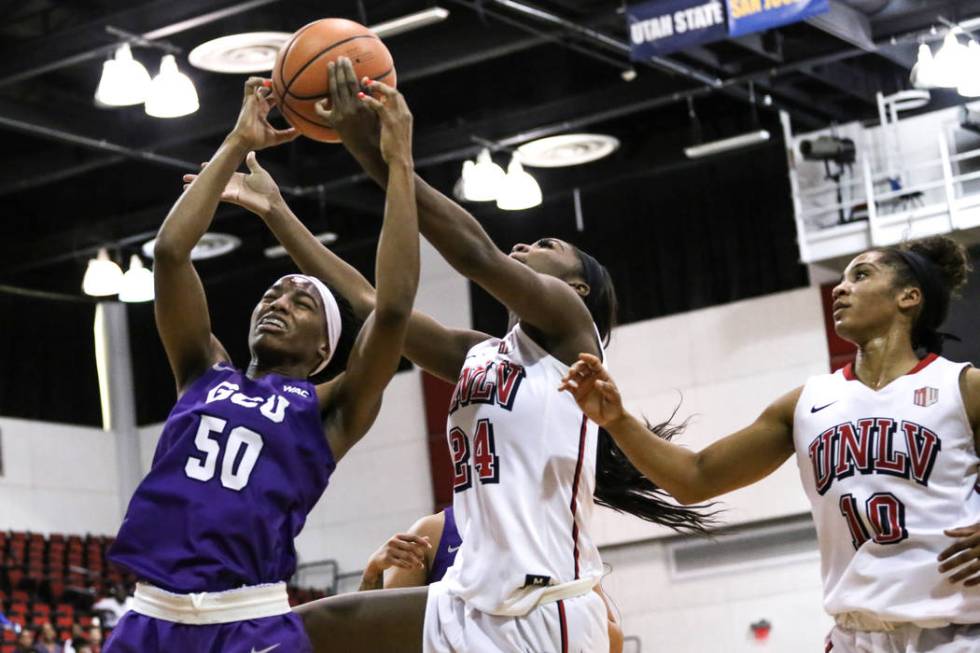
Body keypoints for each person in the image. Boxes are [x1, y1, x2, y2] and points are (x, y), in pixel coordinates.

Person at [206, 58, 712, 652]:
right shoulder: (478, 356)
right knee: (309, 630)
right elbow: (372, 303)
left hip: (545, 607)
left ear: (577, 290)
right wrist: (277, 212)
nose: (524, 243)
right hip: (469, 596)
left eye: (547, 245)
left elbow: (476, 255)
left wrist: (385, 155)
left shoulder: (572, 332)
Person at [101, 73, 420, 653]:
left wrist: (398, 165)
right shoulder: (202, 370)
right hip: (151, 613)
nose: (279, 304)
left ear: (325, 351)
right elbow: (172, 253)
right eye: (273, 295)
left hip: (249, 617)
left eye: (303, 304)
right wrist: (236, 143)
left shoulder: (331, 407)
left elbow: (392, 308)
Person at [559, 236, 980, 653]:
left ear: (909, 297)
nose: (841, 287)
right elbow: (696, 477)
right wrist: (617, 420)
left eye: (862, 275)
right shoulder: (807, 402)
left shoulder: (960, 387)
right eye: (843, 278)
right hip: (857, 638)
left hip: (956, 631)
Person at [358, 508, 625, 653]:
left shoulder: (557, 529)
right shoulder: (433, 532)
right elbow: (377, 640)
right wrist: (372, 573)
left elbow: (613, 640)